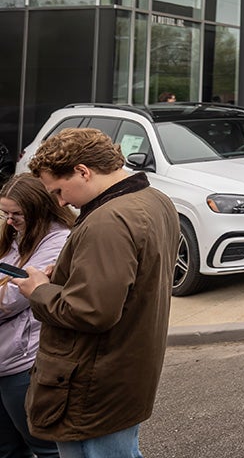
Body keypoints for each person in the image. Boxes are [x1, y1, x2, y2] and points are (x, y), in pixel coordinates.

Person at [16, 128, 178, 456]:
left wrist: (40, 291)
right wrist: (70, 272)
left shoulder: (108, 220)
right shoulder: (154, 199)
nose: (60, 202)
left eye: (59, 191)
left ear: (83, 171)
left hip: (94, 380)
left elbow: (92, 310)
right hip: (125, 369)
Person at [0, 175, 74, 458]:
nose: (9, 221)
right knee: (6, 449)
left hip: (23, 362)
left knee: (45, 448)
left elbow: (11, 299)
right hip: (4, 358)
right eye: (5, 213)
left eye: (16, 214)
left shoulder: (57, 241)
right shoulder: (16, 236)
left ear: (38, 208)